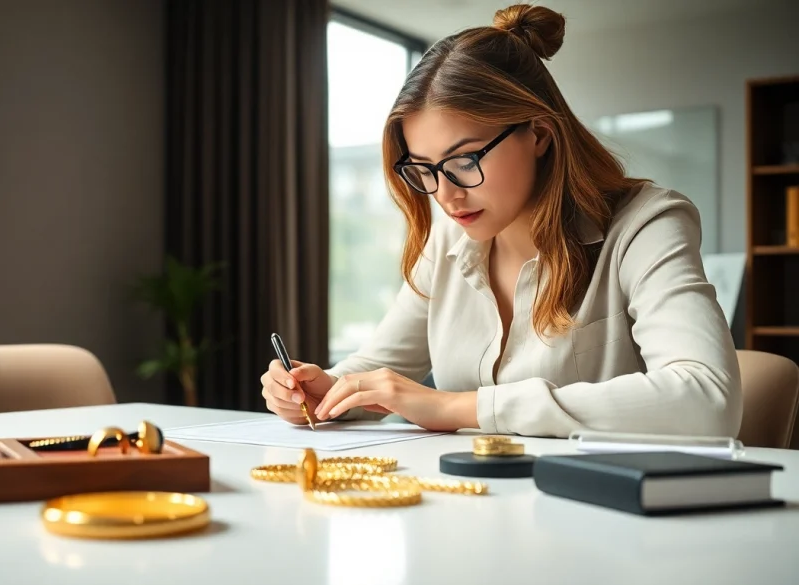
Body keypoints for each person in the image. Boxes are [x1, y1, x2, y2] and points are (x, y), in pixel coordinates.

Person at [259, 3, 743, 438]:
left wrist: (457, 407)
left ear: (537, 133)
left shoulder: (646, 225)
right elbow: (380, 368)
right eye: (423, 170)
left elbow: (708, 399)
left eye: (465, 160)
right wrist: (324, 391)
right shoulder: (450, 240)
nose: (445, 194)